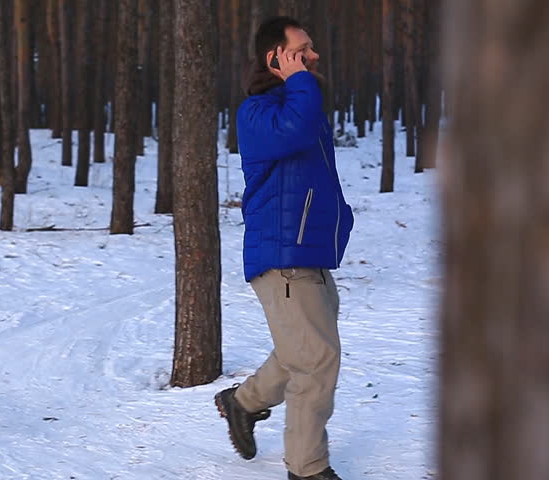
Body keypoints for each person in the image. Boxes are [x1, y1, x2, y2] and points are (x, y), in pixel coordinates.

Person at [214, 16, 355, 480]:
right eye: (302, 50)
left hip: (304, 252)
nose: (313, 57)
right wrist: (299, 82)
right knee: (315, 361)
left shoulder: (297, 104)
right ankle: (308, 469)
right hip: (283, 255)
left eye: (310, 49)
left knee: (303, 350)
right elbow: (294, 130)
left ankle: (243, 403)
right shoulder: (256, 112)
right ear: (275, 58)